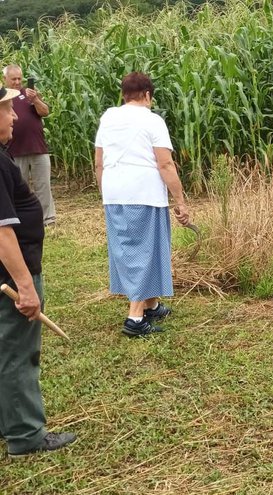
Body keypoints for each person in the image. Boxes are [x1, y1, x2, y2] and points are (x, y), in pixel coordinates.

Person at [0, 84, 76, 457]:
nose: (14, 115)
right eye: (6, 110)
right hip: (10, 277)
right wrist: (26, 286)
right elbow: (1, 230)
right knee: (18, 352)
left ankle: (8, 422)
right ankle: (26, 435)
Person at [94, 72, 190, 338]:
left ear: (124, 94)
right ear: (148, 95)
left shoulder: (108, 118)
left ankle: (151, 305)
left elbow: (99, 162)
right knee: (144, 253)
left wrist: (107, 191)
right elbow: (165, 163)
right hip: (143, 193)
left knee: (128, 249)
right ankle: (135, 318)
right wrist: (180, 200)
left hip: (114, 193)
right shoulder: (152, 120)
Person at [3, 64, 56, 226]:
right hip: (14, 151)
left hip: (37, 148)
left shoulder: (29, 94)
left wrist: (35, 100)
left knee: (43, 186)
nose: (18, 82)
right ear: (5, 79)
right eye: (14, 79)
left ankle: (48, 219)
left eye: (20, 78)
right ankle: (21, 220)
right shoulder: (4, 98)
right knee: (19, 188)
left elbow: (45, 112)